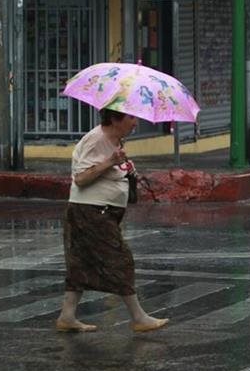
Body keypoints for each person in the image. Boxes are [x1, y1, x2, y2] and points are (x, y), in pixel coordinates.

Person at [56, 108, 169, 333]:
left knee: (81, 263)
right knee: (121, 260)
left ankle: (67, 317)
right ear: (115, 119)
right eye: (131, 117)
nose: (135, 122)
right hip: (91, 212)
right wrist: (110, 162)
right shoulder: (96, 139)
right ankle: (138, 317)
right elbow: (81, 178)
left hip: (100, 211)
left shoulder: (115, 140)